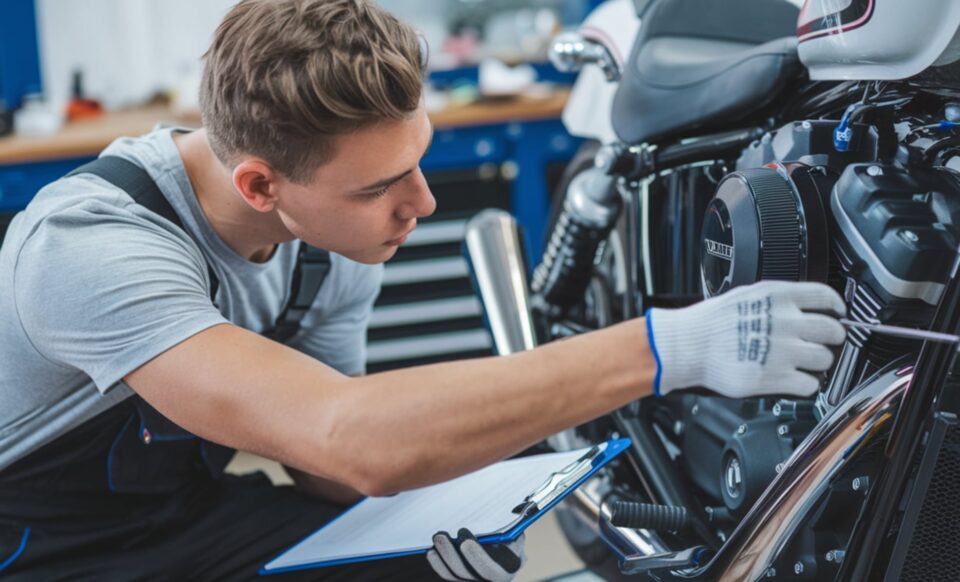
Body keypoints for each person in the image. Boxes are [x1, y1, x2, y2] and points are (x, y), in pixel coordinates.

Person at [0, 0, 848, 579]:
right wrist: (675, 347)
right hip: (39, 551)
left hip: (182, 516)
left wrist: (447, 511)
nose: (423, 204)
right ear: (260, 185)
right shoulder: (89, 246)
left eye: (418, 160)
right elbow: (349, 437)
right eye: (378, 189)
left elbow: (329, 475)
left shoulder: (323, 243)